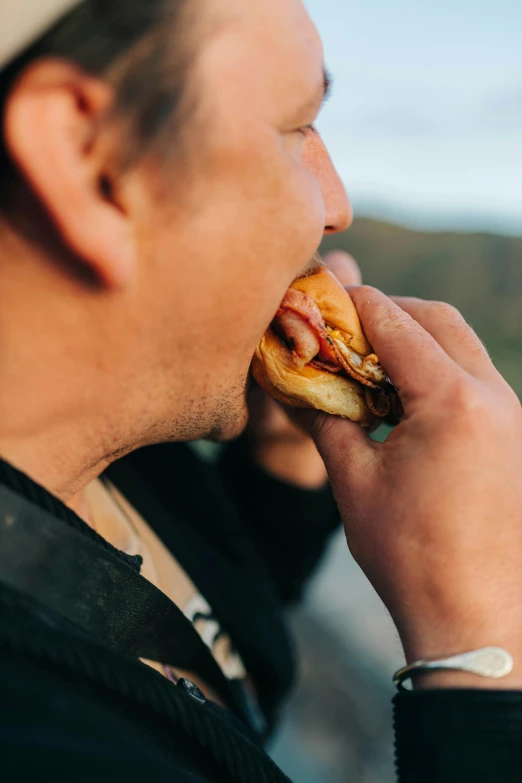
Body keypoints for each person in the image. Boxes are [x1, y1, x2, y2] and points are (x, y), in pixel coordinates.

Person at [0, 1, 521, 781]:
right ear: (86, 157)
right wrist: (481, 642)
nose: (335, 205)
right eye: (296, 128)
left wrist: (289, 454)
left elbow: (197, 634)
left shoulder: (122, 452)